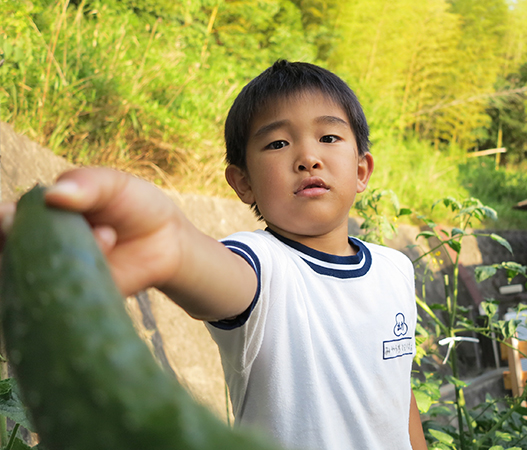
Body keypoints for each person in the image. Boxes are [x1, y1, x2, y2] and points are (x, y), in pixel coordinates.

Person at [0, 60, 427, 450]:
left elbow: (396, 389)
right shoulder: (262, 263)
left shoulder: (396, 268)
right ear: (242, 183)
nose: (308, 158)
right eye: (278, 144)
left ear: (361, 171)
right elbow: (219, 273)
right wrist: (173, 246)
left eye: (329, 137)